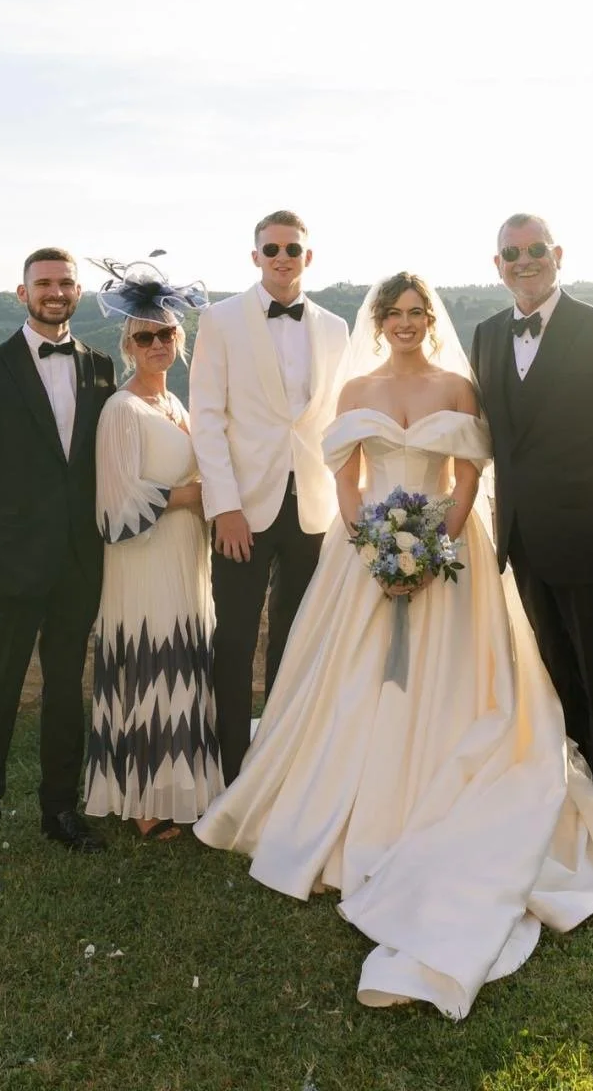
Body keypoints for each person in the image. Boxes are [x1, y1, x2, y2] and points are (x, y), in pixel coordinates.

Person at [195, 273, 593, 1019]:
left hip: (449, 556)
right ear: (378, 321)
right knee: (347, 686)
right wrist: (373, 545)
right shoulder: (356, 388)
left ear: (430, 319)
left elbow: (466, 482)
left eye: (415, 312)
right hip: (363, 556)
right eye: (392, 313)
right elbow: (348, 481)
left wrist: (432, 550)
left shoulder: (457, 388)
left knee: (458, 683)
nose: (404, 322)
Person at [470, 214, 593, 854]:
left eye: (535, 249)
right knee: (557, 681)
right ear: (497, 265)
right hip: (524, 545)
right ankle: (574, 803)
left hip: (589, 541)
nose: (524, 261)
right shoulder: (486, 335)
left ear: (556, 254)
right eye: (512, 253)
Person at [0, 249, 116, 888]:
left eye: (66, 283)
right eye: (43, 283)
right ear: (23, 293)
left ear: (78, 292)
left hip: (77, 565)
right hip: (4, 571)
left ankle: (60, 811)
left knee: (66, 692)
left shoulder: (101, 367)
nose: (55, 292)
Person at [189, 210, 349, 782]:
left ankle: (280, 764)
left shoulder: (335, 328)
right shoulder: (220, 319)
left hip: (314, 507)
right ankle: (231, 768)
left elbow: (337, 420)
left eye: (293, 249)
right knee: (233, 640)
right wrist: (224, 506)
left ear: (309, 256)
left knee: (296, 639)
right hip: (244, 509)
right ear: (255, 256)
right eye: (272, 249)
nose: (283, 258)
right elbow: (206, 418)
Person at [83, 261, 223, 840]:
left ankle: (182, 787)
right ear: (128, 346)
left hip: (185, 553)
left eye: (166, 333)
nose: (158, 344)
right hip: (144, 559)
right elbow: (115, 504)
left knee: (184, 662)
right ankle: (145, 800)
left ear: (179, 339)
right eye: (145, 338)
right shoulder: (121, 410)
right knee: (153, 663)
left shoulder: (176, 405)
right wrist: (190, 496)